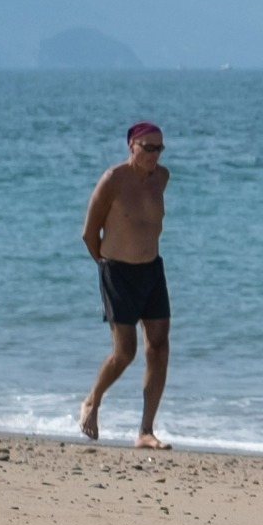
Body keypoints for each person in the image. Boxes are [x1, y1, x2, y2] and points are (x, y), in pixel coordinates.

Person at [81, 119, 172, 448]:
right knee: (125, 352)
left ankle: (145, 431)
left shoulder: (162, 178)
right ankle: (92, 400)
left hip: (152, 270)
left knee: (159, 348)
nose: (154, 154)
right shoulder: (113, 180)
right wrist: (105, 266)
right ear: (131, 145)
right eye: (148, 147)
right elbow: (89, 233)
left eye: (159, 148)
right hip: (117, 271)